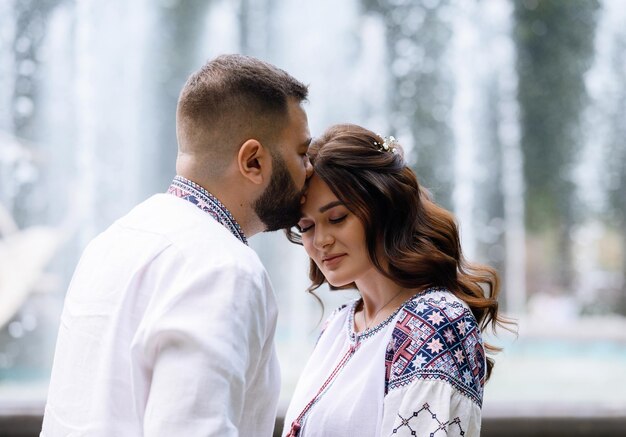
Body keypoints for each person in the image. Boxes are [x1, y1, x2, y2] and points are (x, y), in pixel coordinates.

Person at [41, 54, 313, 437]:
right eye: (302, 153)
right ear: (253, 161)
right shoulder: (223, 268)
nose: (310, 170)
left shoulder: (112, 241)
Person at [282, 124, 507, 437]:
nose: (320, 241)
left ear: (383, 209)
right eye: (306, 227)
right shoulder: (337, 326)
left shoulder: (435, 320)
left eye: (337, 218)